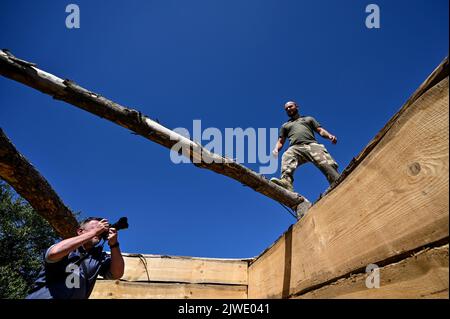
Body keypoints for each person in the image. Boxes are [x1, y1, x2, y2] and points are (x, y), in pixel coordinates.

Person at [26, 217, 125, 299]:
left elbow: (117, 274)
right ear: (80, 231)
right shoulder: (68, 248)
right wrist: (94, 232)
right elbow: (53, 254)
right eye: (95, 227)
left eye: (101, 229)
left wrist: (114, 245)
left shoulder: (99, 257)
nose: (99, 231)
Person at [271, 101, 340, 192]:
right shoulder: (285, 126)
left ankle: (336, 180)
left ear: (297, 106)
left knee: (327, 165)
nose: (288, 109)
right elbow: (281, 141)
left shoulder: (308, 119)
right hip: (296, 147)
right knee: (287, 155)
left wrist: (329, 136)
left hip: (312, 145)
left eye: (290, 106)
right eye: (286, 109)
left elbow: (320, 130)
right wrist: (276, 149)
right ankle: (286, 182)